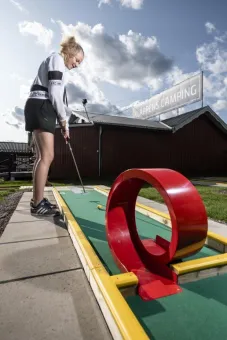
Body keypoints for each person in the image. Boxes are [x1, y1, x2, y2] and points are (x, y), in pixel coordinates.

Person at [24, 36, 84, 216]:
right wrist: (64, 122)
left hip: (39, 106)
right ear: (70, 53)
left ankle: (37, 199)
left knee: (41, 157)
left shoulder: (56, 63)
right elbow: (55, 94)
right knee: (47, 156)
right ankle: (38, 203)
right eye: (77, 60)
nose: (77, 65)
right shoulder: (57, 59)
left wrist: (66, 126)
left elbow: (60, 102)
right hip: (42, 106)